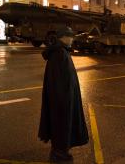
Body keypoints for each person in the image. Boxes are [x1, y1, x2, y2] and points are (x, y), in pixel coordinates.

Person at [38, 27, 89, 162]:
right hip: (62, 104)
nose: (72, 39)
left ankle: (59, 153)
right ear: (63, 37)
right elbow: (59, 84)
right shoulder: (60, 54)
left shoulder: (61, 52)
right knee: (62, 129)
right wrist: (65, 105)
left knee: (61, 130)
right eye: (70, 36)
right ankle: (60, 156)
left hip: (63, 101)